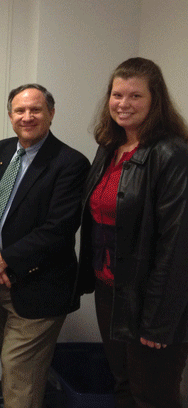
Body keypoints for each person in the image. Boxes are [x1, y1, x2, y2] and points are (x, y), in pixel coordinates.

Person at [0, 83, 90, 408]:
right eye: (20, 110)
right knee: (17, 373)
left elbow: (59, 229)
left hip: (40, 287)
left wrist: (5, 259)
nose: (27, 116)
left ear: (51, 113)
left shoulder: (71, 163)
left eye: (35, 109)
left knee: (19, 373)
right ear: (10, 116)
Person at [78, 57, 188, 408]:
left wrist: (159, 320)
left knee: (152, 395)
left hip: (150, 299)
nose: (123, 104)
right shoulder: (110, 147)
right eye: (117, 94)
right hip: (111, 288)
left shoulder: (172, 154)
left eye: (135, 96)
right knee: (123, 385)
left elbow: (176, 247)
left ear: (155, 101)